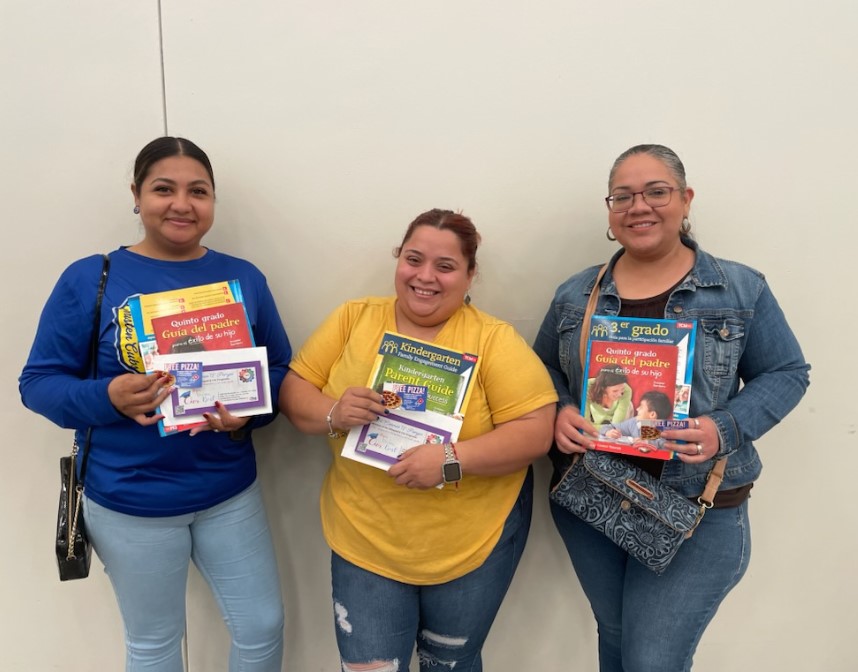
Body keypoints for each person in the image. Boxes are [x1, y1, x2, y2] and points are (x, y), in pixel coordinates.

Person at [533, 144, 810, 671]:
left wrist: (722, 427)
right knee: (616, 638)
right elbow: (541, 367)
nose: (639, 206)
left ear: (685, 199)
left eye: (656, 192)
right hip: (594, 493)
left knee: (650, 658)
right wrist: (562, 407)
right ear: (610, 212)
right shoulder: (575, 294)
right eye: (623, 196)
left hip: (697, 508)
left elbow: (787, 372)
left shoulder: (739, 288)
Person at [20, 137, 292, 672]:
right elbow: (38, 383)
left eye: (199, 191)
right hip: (130, 499)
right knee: (155, 643)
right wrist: (108, 396)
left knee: (262, 627)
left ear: (213, 200)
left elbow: (280, 369)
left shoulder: (244, 278)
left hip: (228, 492)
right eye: (164, 189)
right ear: (136, 195)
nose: (182, 204)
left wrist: (251, 413)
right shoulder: (91, 277)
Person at [279, 208, 557, 671]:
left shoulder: (492, 338)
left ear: (469, 275)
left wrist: (451, 459)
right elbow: (294, 390)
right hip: (365, 538)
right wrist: (333, 412)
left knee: (450, 664)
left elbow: (536, 430)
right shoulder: (354, 318)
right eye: (413, 259)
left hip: (472, 542)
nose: (425, 277)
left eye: (445, 266)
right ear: (399, 260)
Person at [601, 390, 672, 441]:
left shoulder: (664, 433)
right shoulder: (634, 422)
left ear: (652, 414)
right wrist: (608, 432)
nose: (637, 409)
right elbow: (609, 426)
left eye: (641, 407)